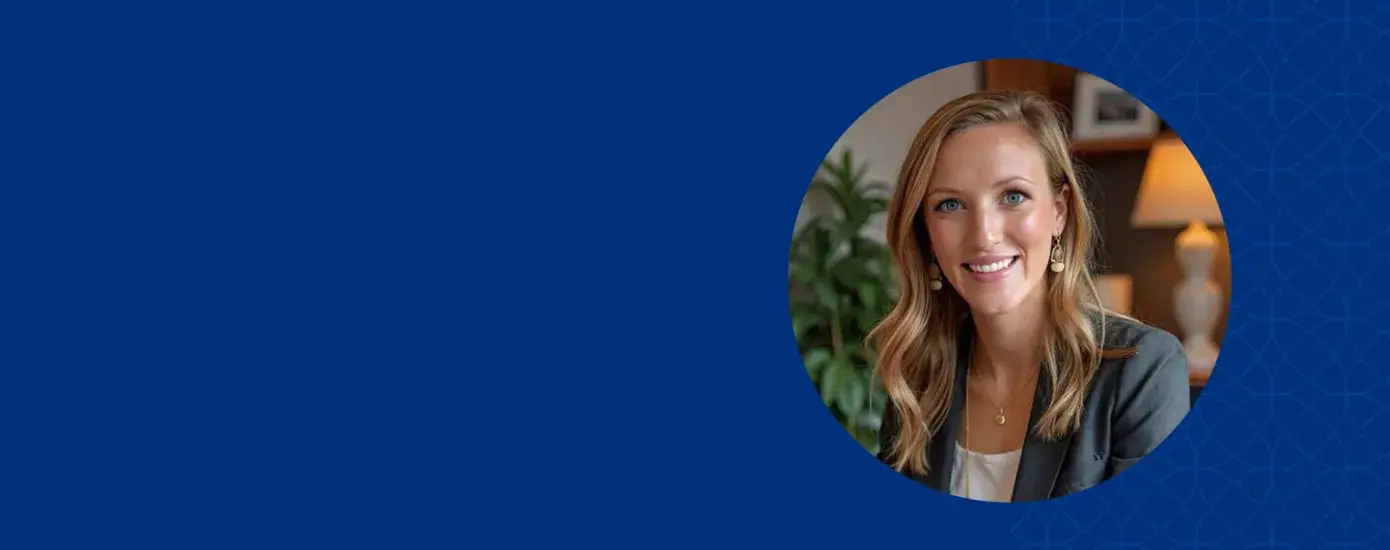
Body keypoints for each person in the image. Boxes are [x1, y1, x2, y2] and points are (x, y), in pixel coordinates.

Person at [869, 90, 1191, 502]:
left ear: (1059, 211)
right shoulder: (917, 379)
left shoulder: (1142, 370)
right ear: (925, 233)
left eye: (1013, 196)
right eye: (950, 204)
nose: (984, 235)